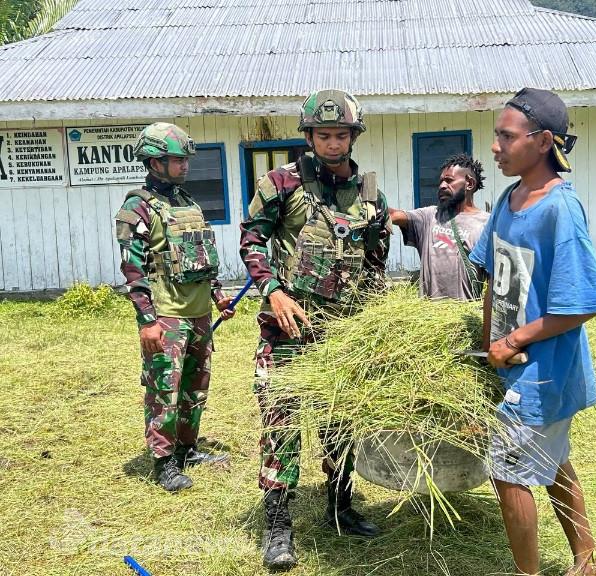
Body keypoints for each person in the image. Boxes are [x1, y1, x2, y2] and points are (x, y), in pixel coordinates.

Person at [239, 89, 391, 570]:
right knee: (281, 426)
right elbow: (251, 239)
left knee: (341, 424)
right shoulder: (281, 183)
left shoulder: (369, 194)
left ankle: (340, 507)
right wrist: (272, 290)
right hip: (288, 331)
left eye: (340, 135)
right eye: (323, 135)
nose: (331, 143)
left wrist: (375, 317)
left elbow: (375, 259)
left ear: (352, 137)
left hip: (342, 333)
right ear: (309, 136)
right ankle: (279, 526)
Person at [469, 88, 596, 576]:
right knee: (552, 461)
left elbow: (580, 306)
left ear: (544, 140)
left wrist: (511, 341)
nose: (495, 147)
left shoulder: (560, 211)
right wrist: (487, 341)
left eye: (506, 137)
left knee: (508, 474)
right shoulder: (511, 198)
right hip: (509, 364)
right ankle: (588, 559)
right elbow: (493, 276)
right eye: (497, 136)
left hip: (542, 368)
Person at [114, 122, 234, 492]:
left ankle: (187, 449)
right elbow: (132, 270)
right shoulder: (138, 206)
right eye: (176, 160)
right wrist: (147, 321)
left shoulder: (188, 205)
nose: (185, 166)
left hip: (199, 313)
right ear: (154, 162)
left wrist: (217, 296)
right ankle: (164, 462)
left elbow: (202, 259)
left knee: (195, 387)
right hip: (166, 315)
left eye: (185, 160)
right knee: (164, 389)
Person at [389, 153, 490, 300]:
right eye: (441, 181)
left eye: (449, 180)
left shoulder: (487, 224)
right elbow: (393, 215)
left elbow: (495, 281)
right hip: (429, 319)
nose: (442, 185)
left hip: (465, 318)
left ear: (469, 184)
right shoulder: (429, 216)